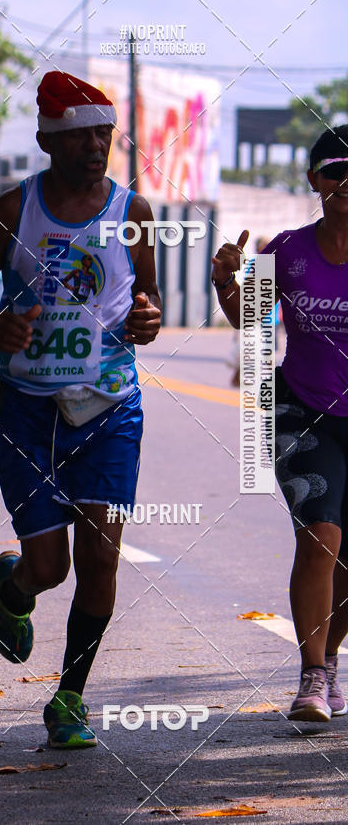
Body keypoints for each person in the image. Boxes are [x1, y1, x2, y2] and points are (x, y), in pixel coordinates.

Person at [0, 71, 161, 747]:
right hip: (28, 411)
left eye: (103, 134)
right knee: (50, 569)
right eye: (79, 136)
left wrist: (150, 319)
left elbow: (146, 305)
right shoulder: (15, 210)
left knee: (99, 559)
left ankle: (69, 698)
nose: (95, 146)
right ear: (47, 139)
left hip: (110, 408)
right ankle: (14, 584)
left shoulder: (134, 212)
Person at [212, 125, 348, 722]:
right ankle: (312, 675)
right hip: (302, 410)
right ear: (315, 180)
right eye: (337, 170)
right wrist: (227, 279)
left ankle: (331, 658)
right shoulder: (287, 251)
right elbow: (253, 320)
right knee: (321, 535)